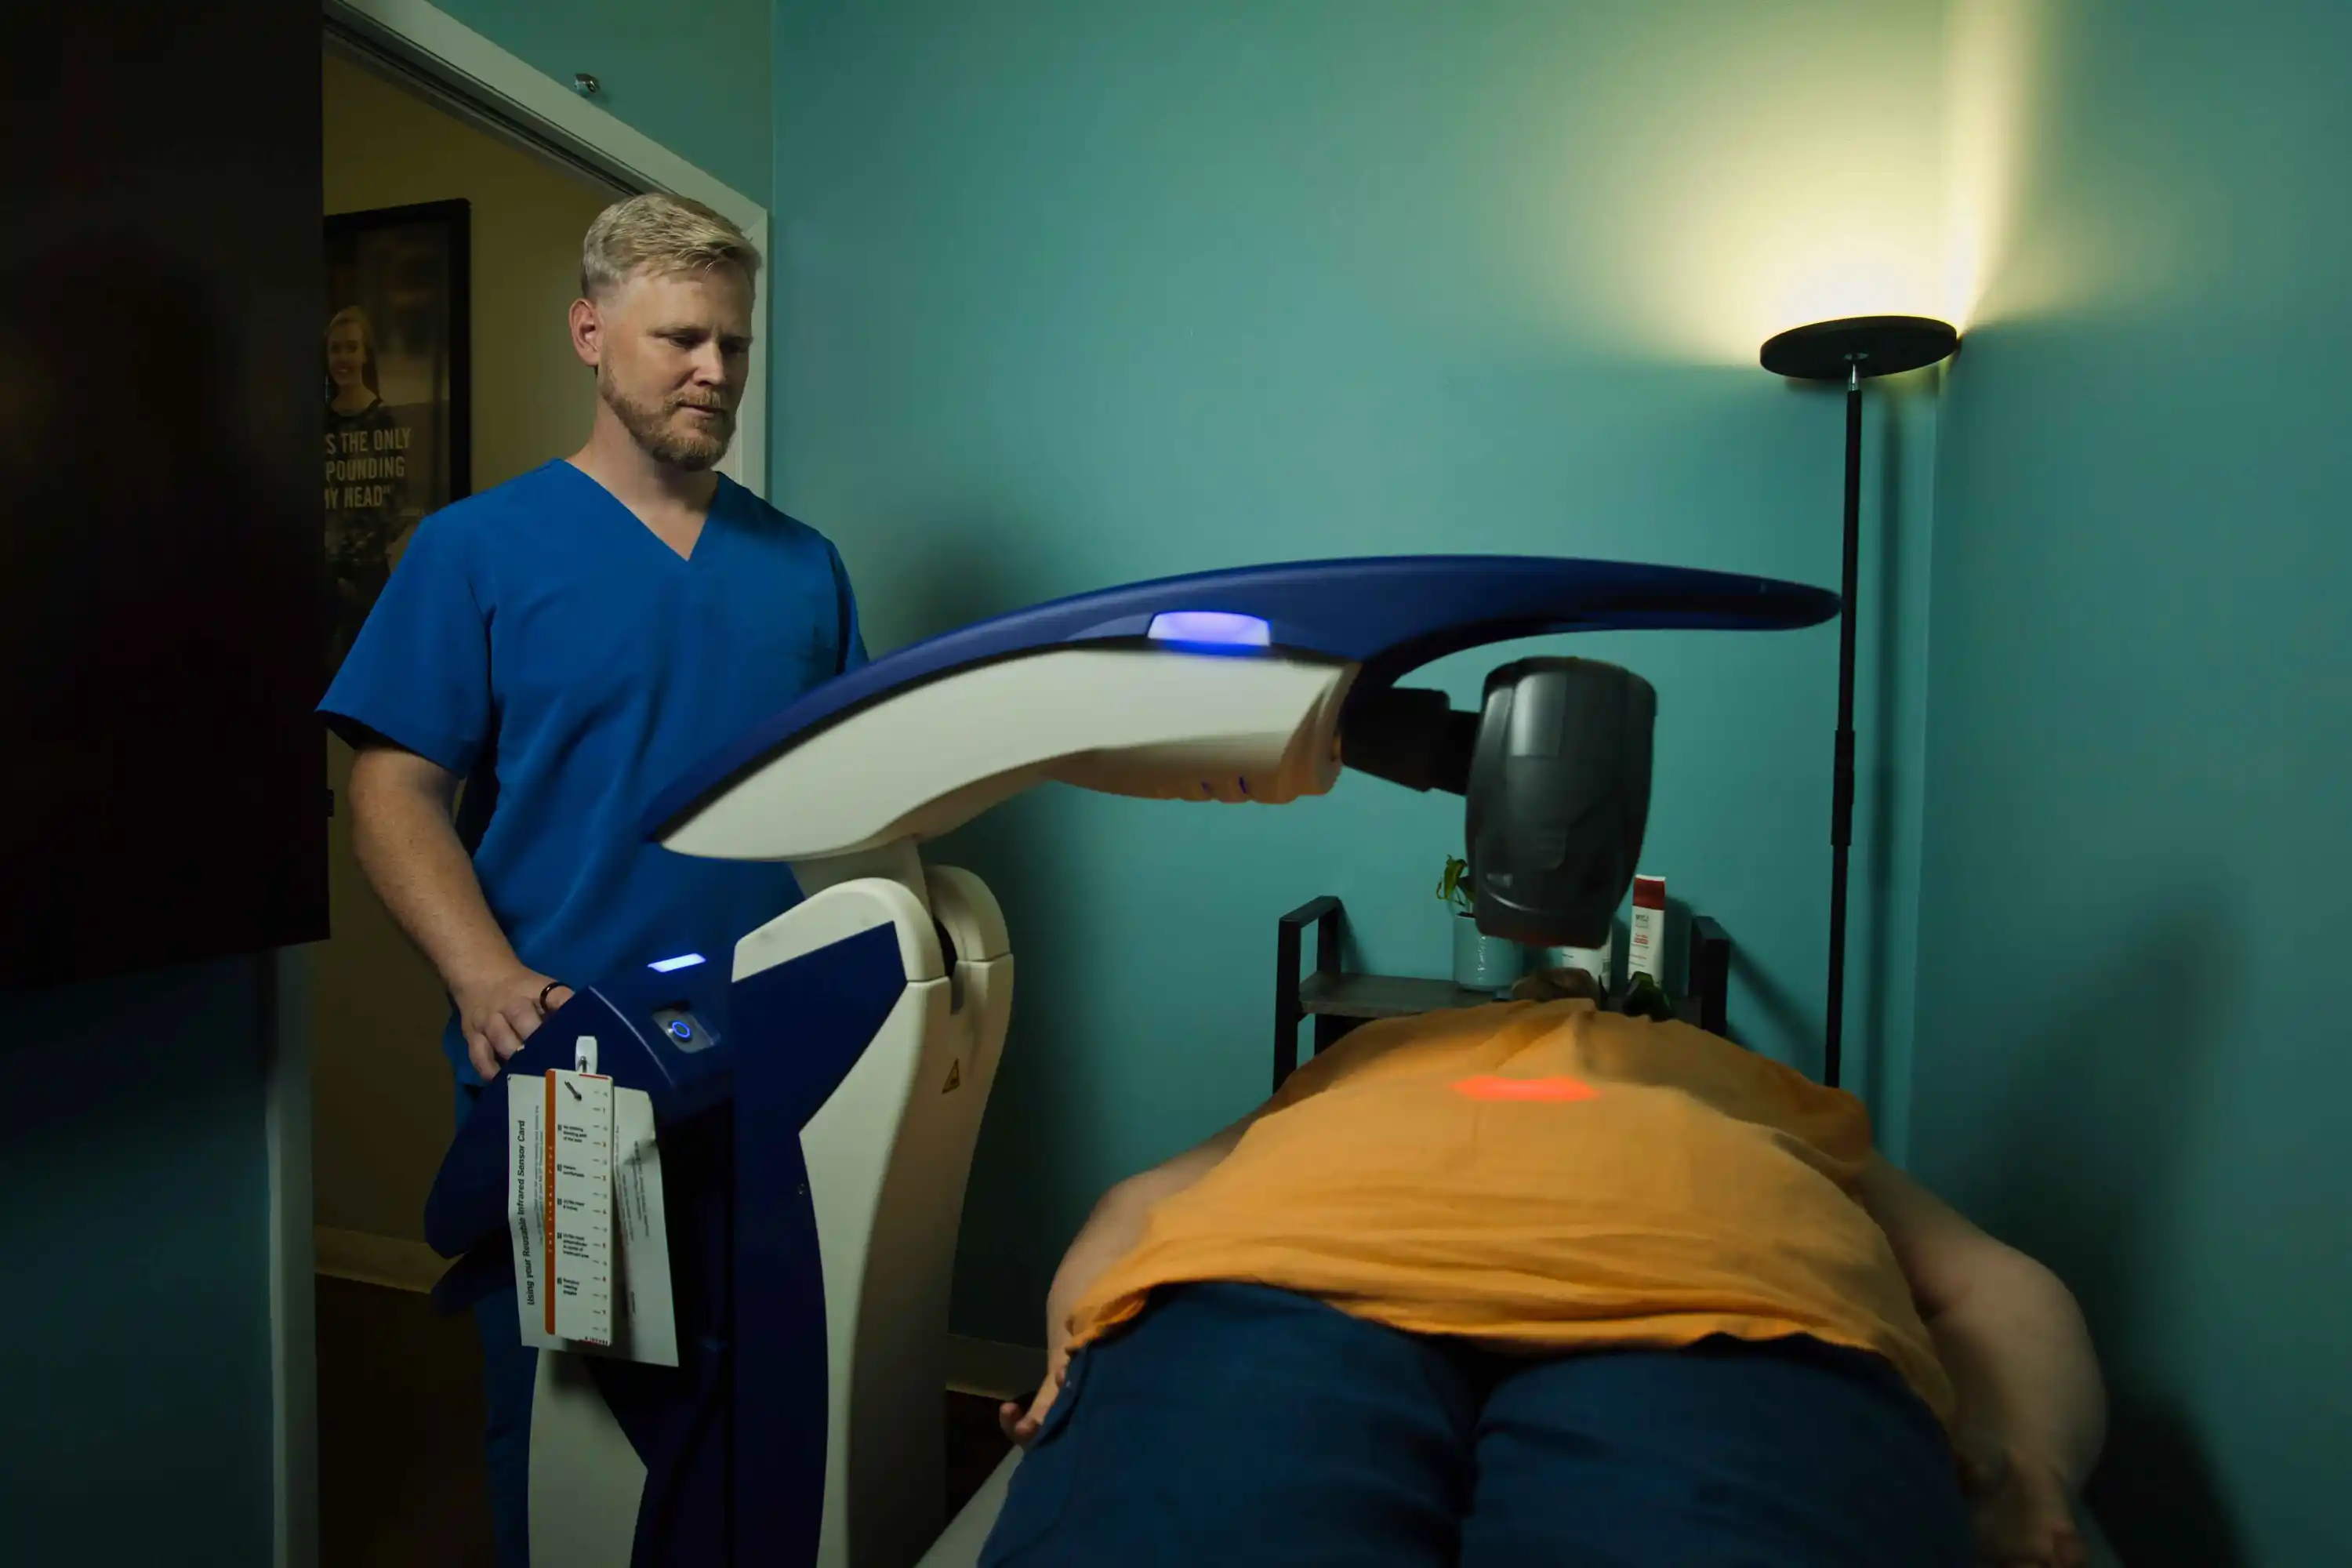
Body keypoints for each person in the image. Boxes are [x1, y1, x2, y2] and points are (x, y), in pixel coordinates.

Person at [318, 193, 866, 1568]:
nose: (716, 372)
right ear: (588, 332)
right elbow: (390, 791)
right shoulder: (474, 554)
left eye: (734, 345)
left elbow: (865, 797)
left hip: (778, 1063)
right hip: (576, 1074)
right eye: (682, 338)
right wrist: (485, 975)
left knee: (774, 1401)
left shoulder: (803, 568)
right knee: (585, 1425)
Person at [983, 971, 2104, 1568]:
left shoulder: (1728, 1075)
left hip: (1724, 1300)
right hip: (1279, 1277)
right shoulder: (1374, 1055)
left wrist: (2033, 1472)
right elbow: (1136, 1208)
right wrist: (1067, 1352)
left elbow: (1986, 1281)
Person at [322, 303, 407, 662]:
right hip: (324, 573)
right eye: (335, 348)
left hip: (368, 575)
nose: (343, 357)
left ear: (365, 354)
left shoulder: (383, 420)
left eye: (351, 348)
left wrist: (350, 567)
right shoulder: (320, 421)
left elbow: (392, 507)